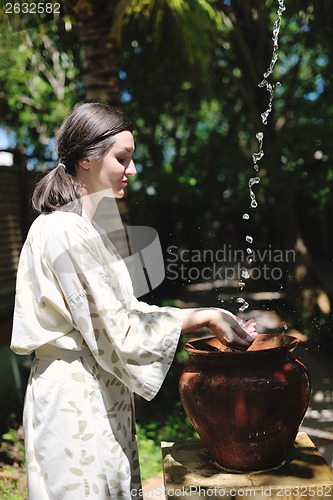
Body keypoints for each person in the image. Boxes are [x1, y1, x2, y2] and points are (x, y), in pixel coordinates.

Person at [11, 102, 257, 499]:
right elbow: (122, 331)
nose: (133, 170)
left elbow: (123, 314)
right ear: (86, 159)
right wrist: (205, 317)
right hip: (75, 402)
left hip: (97, 396)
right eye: (122, 158)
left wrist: (209, 317)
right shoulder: (62, 232)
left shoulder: (82, 230)